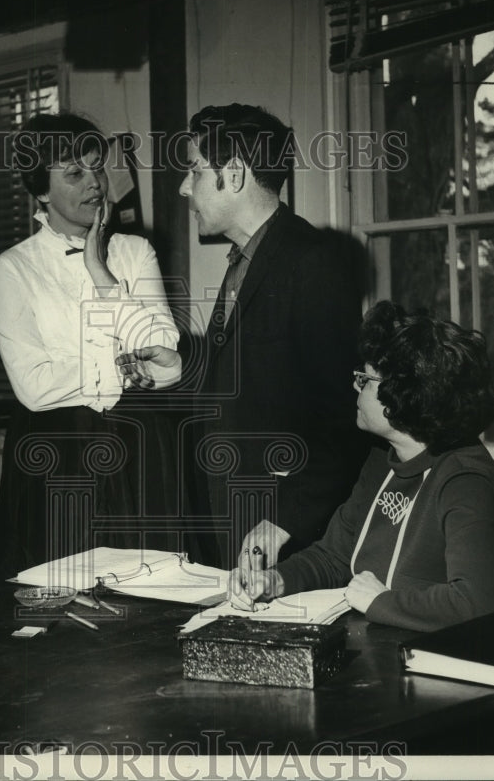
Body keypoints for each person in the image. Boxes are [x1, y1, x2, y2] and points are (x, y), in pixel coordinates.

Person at [123, 104, 369, 571]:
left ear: (233, 174)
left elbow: (342, 419)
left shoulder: (311, 263)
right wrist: (181, 371)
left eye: (194, 170)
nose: (183, 187)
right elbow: (256, 385)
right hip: (229, 522)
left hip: (282, 538)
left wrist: (281, 522)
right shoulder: (245, 259)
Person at [229, 301, 494, 633]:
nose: (355, 387)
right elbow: (334, 557)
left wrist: (380, 603)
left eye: (365, 379)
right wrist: (274, 580)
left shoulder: (467, 481)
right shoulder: (382, 459)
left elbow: (476, 602)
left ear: (404, 395)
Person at [0, 113, 181, 578]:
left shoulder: (135, 252)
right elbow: (33, 388)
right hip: (57, 456)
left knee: (150, 593)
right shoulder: (14, 268)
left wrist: (101, 272)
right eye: (74, 173)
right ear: (40, 191)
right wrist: (124, 365)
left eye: (97, 168)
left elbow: (165, 356)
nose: (95, 183)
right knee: (61, 606)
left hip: (140, 450)